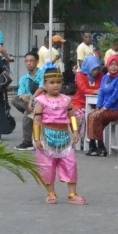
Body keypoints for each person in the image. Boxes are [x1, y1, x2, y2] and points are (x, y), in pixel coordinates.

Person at [29, 65, 83, 204]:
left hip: (65, 136)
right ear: (45, 85)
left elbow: (72, 116)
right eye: (52, 83)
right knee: (48, 165)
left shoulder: (66, 99)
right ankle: (50, 192)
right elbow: (37, 120)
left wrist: (75, 131)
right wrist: (37, 138)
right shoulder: (41, 101)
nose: (56, 85)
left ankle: (72, 193)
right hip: (47, 136)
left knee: (71, 164)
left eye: (58, 82)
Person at [85, 54, 118, 155]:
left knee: (98, 116)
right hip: (107, 108)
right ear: (107, 65)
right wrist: (98, 107)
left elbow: (115, 96)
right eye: (111, 64)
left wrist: (103, 108)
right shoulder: (105, 77)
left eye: (116, 64)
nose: (113, 67)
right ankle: (92, 146)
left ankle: (101, 147)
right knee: (91, 114)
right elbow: (101, 94)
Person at [12, 52, 42, 150]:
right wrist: (23, 96)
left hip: (41, 103)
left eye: (31, 61)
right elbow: (21, 94)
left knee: (27, 114)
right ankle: (32, 112)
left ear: (37, 62)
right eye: (26, 61)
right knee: (15, 100)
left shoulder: (43, 74)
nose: (28, 63)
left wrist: (32, 99)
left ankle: (27, 142)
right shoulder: (23, 79)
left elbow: (42, 88)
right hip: (29, 104)